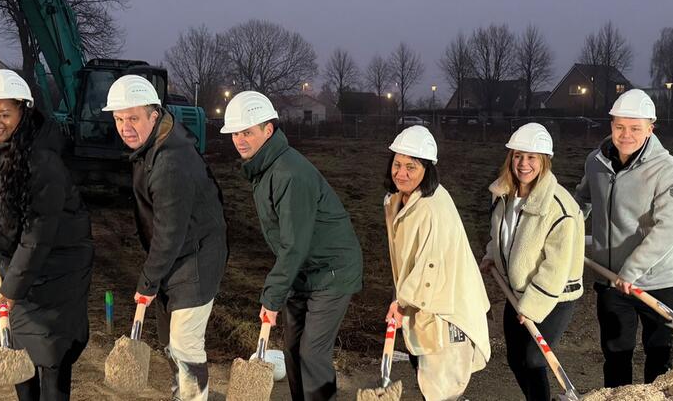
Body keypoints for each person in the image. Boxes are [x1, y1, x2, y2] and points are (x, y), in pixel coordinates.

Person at [0, 69, 93, 401]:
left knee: (50, 358)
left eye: (5, 113)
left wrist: (11, 289)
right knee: (21, 359)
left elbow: (37, 234)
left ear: (24, 111)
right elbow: (1, 214)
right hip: (23, 275)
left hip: (55, 276)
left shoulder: (41, 160)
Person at [221, 90, 363, 401]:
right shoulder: (264, 168)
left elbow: (294, 244)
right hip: (303, 271)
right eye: (235, 133)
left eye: (247, 132)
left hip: (331, 270)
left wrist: (272, 296)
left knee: (312, 353)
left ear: (267, 130)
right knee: (292, 349)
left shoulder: (288, 173)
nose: (239, 140)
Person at [103, 74, 227, 401]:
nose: (124, 126)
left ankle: (192, 397)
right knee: (171, 340)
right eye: (118, 118)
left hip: (195, 256)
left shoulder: (169, 160)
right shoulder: (155, 144)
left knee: (185, 343)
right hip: (177, 255)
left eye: (133, 118)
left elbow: (169, 232)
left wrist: (147, 281)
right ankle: (185, 392)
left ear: (153, 115)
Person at [574, 89, 673, 387]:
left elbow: (668, 229)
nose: (626, 135)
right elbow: (583, 200)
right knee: (616, 355)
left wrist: (633, 270)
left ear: (651, 128)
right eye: (619, 126)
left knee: (659, 358)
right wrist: (564, 227)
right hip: (611, 280)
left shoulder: (668, 171)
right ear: (611, 125)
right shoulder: (596, 162)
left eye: (635, 128)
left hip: (659, 283)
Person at [384, 126, 490, 401]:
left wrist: (402, 301)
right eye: (397, 164)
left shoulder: (432, 208)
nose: (401, 173)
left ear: (427, 169)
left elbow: (429, 267)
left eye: (411, 167)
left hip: (448, 309)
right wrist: (402, 298)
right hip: (426, 301)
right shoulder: (401, 201)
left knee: (442, 387)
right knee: (427, 375)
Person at [479, 123, 584, 401]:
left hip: (553, 295)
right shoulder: (503, 194)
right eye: (518, 156)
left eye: (531, 158)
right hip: (516, 291)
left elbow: (556, 268)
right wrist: (492, 255)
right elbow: (502, 235)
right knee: (515, 358)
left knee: (534, 359)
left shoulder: (559, 207)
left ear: (544, 161)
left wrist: (533, 306)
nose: (523, 164)